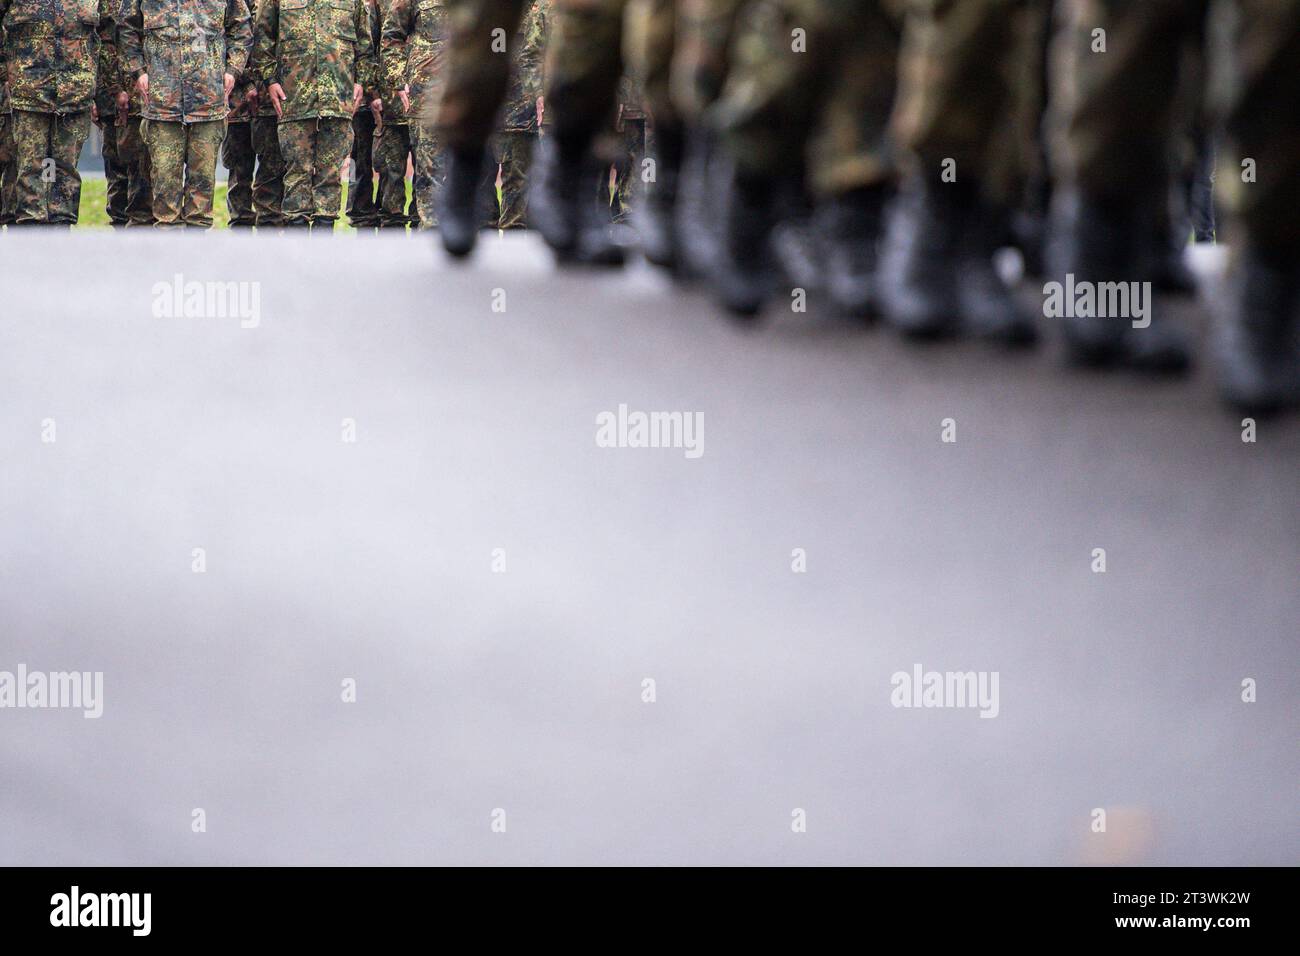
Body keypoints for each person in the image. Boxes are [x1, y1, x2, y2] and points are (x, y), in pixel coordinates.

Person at [119, 0, 253, 228]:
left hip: (207, 103)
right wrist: (138, 71)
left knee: (201, 194)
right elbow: (126, 28)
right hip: (162, 104)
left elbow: (241, 27)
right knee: (164, 193)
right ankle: (169, 257)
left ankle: (197, 256)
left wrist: (233, 70)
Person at [251, 0, 372, 231]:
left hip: (338, 98)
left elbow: (365, 46)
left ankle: (323, 248)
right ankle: (297, 250)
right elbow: (262, 39)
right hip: (294, 98)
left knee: (331, 176)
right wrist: (270, 81)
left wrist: (360, 82)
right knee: (297, 173)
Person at [0, 0, 103, 226]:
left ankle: (60, 241)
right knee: (31, 171)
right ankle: (31, 238)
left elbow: (108, 35)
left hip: (74, 97)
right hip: (30, 93)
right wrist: (5, 72)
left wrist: (100, 88)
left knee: (65, 174)